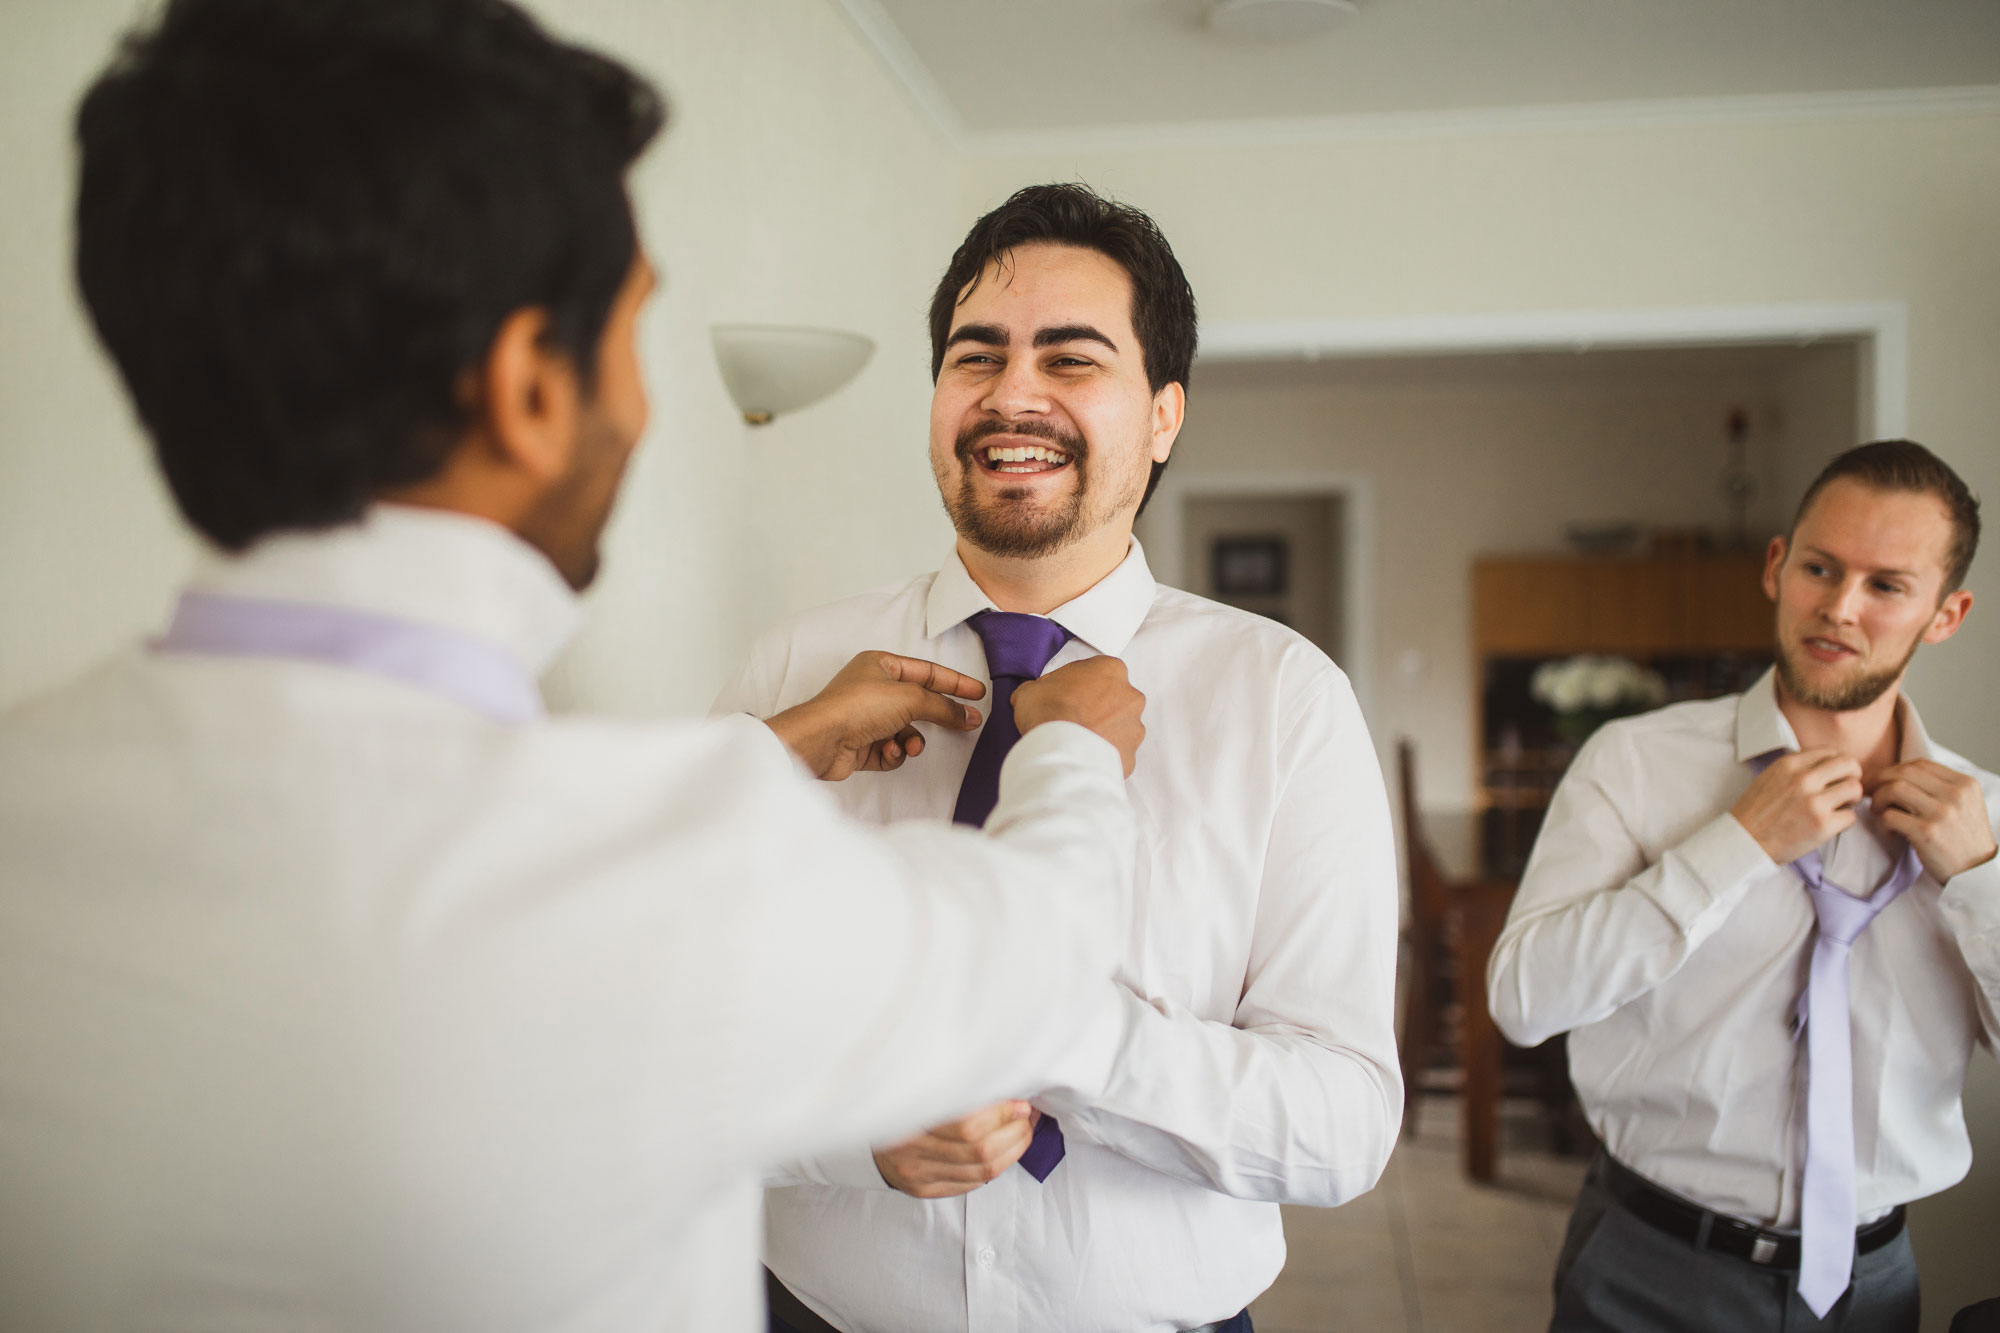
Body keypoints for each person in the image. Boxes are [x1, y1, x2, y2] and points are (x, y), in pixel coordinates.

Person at [0, 4, 1156, 1330]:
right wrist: (1071, 750)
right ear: (527, 390)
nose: (646, 401)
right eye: (631, 329)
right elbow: (1032, 962)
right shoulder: (664, 862)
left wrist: (768, 748)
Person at [716, 183, 1402, 1333]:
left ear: (1163, 415)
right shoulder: (797, 671)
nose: (1010, 395)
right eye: (973, 357)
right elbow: (669, 1036)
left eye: (1070, 359)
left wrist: (1069, 1037)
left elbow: (1339, 1126)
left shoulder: (1284, 699)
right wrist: (849, 1126)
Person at [1488, 440, 1999, 1333]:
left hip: (1872, 1291)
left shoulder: (1985, 817)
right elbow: (1523, 1001)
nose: (1839, 607)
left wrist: (1982, 885)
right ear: (1777, 565)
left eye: (1886, 586)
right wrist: (1735, 846)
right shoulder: (1636, 762)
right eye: (1820, 567)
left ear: (1946, 613)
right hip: (1646, 1271)